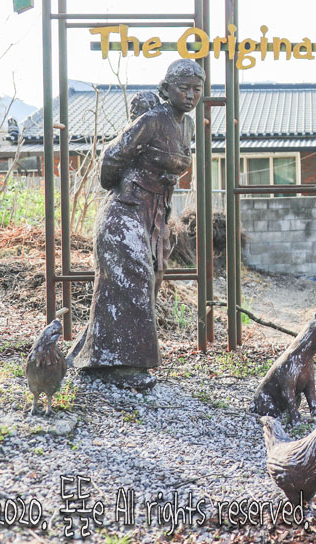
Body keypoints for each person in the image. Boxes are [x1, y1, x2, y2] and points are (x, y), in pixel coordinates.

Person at [69, 59, 204, 390]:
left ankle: (102, 357)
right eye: (183, 88)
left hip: (155, 213)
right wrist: (127, 185)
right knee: (135, 277)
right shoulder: (153, 119)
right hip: (125, 210)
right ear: (166, 89)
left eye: (197, 89)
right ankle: (127, 366)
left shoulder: (187, 125)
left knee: (152, 277)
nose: (190, 95)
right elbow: (111, 158)